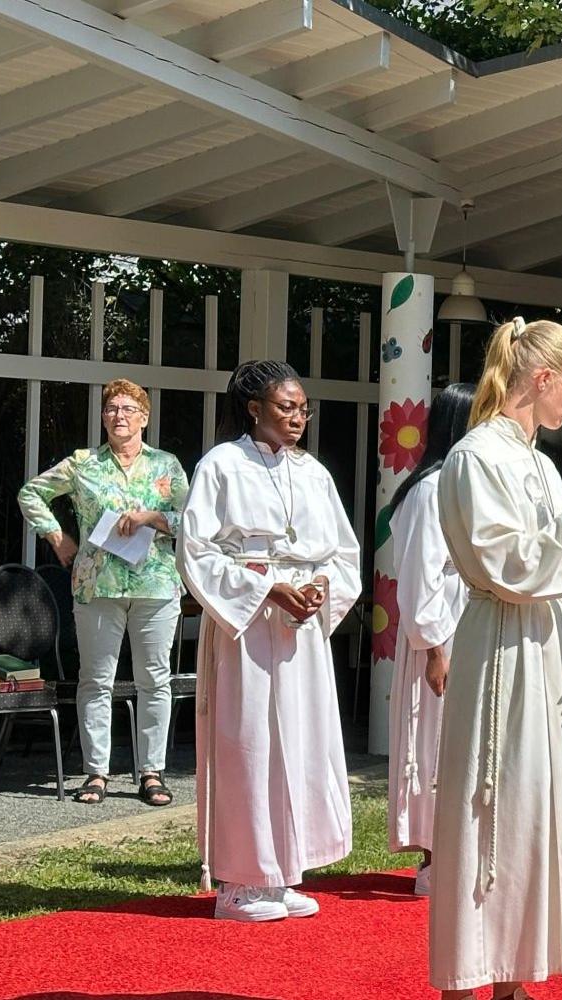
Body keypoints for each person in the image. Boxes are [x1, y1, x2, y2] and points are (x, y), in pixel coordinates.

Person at [429, 319, 562, 999]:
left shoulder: (538, 463)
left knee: (536, 812)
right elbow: (505, 565)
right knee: (493, 808)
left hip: (549, 656)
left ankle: (513, 981)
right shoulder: (475, 457)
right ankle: (466, 978)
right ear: (540, 380)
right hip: (502, 651)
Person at [178, 361, 361, 922]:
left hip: (301, 627)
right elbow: (197, 551)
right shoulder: (222, 466)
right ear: (254, 408)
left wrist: (319, 588)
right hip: (247, 626)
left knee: (301, 742)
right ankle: (238, 881)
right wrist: (267, 588)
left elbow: (343, 552)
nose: (298, 417)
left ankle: (282, 872)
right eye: (286, 407)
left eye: (303, 407)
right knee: (248, 741)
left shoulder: (314, 474)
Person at [16, 378, 189, 807]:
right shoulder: (83, 463)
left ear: (145, 418)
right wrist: (58, 538)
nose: (119, 416)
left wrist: (152, 517)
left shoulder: (166, 465)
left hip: (155, 583)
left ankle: (152, 771)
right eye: (112, 409)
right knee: (96, 680)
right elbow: (31, 493)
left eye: (129, 409)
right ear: (103, 417)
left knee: (155, 678)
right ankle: (96, 772)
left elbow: (193, 519)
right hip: (97, 583)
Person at [386, 383, 476, 898]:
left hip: (469, 622)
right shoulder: (428, 489)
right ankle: (434, 856)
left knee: (464, 742)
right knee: (435, 740)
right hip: (439, 631)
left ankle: (460, 847)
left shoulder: (463, 483)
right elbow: (419, 574)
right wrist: (435, 648)